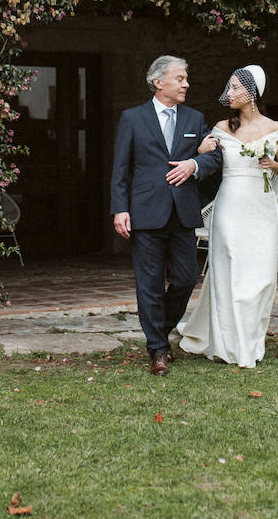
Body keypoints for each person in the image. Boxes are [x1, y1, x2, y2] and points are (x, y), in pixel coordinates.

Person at [109, 55, 222, 376]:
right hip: (144, 212)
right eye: (180, 79)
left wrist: (194, 165)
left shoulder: (194, 118)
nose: (186, 84)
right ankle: (157, 348)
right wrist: (120, 208)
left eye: (186, 79)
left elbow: (214, 156)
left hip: (183, 213)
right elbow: (120, 168)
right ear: (159, 82)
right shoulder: (132, 118)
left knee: (186, 278)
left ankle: (159, 332)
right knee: (149, 285)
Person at [177, 64, 278, 368]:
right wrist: (199, 149)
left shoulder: (275, 127)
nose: (229, 94)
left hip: (262, 208)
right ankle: (229, 344)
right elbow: (203, 160)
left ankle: (251, 338)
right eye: (229, 88)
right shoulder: (221, 128)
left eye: (235, 88)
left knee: (263, 275)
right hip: (229, 206)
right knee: (230, 272)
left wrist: (269, 163)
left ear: (252, 92)